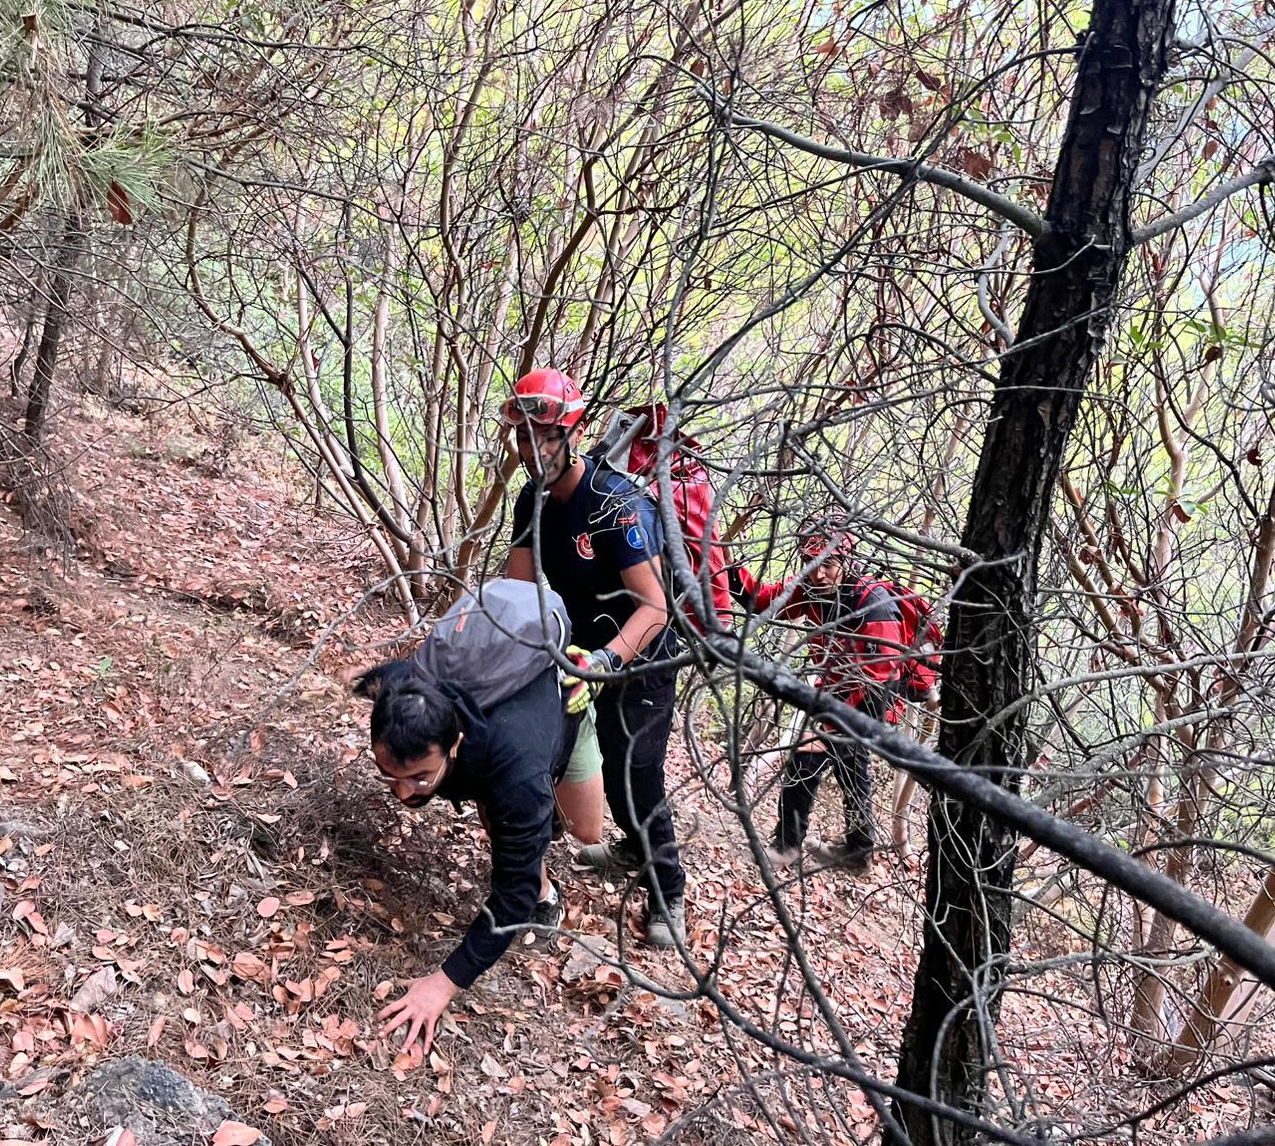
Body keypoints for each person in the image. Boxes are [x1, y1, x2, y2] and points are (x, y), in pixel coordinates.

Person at [357, 578, 605, 1055]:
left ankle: (540, 831)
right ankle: (541, 876)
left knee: (584, 830)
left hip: (561, 707)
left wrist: (443, 983)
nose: (402, 794)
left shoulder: (517, 773)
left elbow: (511, 895)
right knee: (504, 813)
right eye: (390, 776)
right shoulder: (407, 692)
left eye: (418, 778)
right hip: (496, 752)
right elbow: (379, 677)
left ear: (454, 744)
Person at [501, 368, 687, 949]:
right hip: (575, 654)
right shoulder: (532, 499)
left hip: (639, 659)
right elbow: (516, 591)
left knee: (637, 775)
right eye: (525, 437)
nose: (535, 449)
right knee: (545, 751)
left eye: (546, 436)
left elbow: (654, 607)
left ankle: (667, 889)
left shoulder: (617, 504)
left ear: (574, 434)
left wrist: (606, 662)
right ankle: (559, 863)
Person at [731, 522, 906, 873]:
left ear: (848, 559)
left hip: (872, 698)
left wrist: (830, 725)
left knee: (807, 758)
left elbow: (880, 679)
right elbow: (762, 602)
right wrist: (724, 563)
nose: (819, 573)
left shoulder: (875, 604)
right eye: (811, 562)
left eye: (828, 563)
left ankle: (787, 846)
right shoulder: (812, 589)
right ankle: (858, 851)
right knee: (850, 768)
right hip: (837, 693)